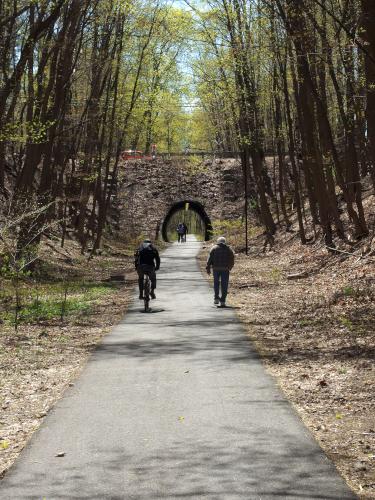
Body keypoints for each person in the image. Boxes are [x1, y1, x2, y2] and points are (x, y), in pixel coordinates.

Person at [206, 236, 235, 307]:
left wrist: (208, 268)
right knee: (224, 285)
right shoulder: (228, 249)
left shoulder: (214, 248)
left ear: (218, 241)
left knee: (216, 283)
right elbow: (232, 258)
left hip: (216, 269)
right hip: (225, 269)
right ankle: (223, 301)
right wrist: (230, 267)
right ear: (225, 242)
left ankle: (216, 298)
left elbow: (209, 259)